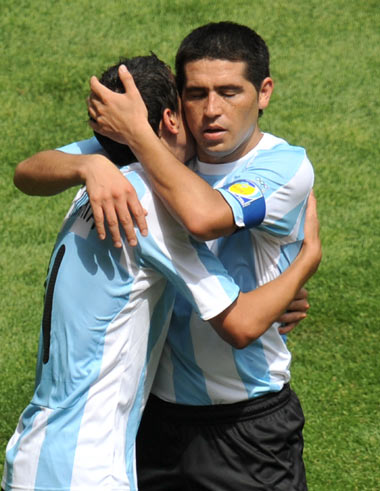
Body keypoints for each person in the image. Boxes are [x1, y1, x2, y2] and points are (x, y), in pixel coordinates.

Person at [3, 54, 321, 491]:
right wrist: (305, 261)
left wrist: (89, 164)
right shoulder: (144, 203)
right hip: (88, 470)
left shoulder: (100, 184)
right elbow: (242, 322)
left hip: (35, 452)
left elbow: (27, 171)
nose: (206, 113)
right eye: (190, 99)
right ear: (170, 118)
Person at [85, 22, 318, 490]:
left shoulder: (283, 165)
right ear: (179, 101)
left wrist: (138, 138)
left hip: (247, 425)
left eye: (230, 92)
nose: (212, 111)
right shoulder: (169, 145)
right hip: (153, 418)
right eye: (197, 94)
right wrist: (87, 162)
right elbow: (29, 172)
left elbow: (205, 217)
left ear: (264, 92)